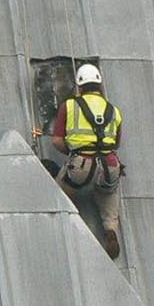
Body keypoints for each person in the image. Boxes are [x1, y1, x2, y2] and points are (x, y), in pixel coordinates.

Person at [50, 63, 124, 259]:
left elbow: (57, 141)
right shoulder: (114, 111)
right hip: (109, 166)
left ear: (79, 86)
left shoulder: (70, 106)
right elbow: (115, 143)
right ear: (100, 86)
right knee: (109, 192)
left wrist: (74, 150)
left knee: (62, 190)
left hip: (82, 165)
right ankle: (110, 228)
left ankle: (67, 221)